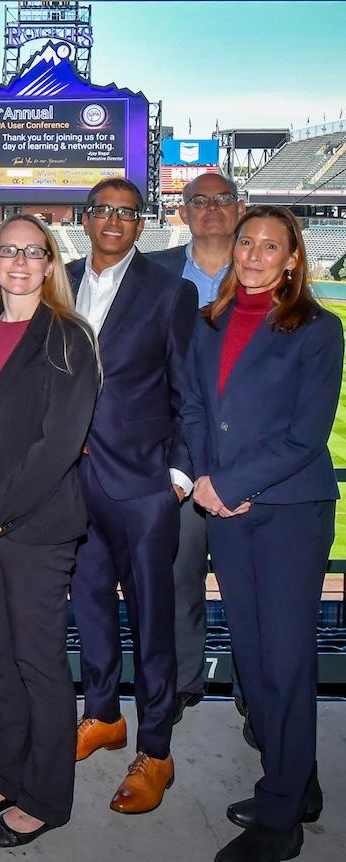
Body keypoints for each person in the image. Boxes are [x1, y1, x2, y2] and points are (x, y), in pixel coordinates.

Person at [183, 206, 340, 862]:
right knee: (252, 657)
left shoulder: (316, 329)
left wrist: (234, 484)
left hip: (287, 513)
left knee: (284, 661)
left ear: (292, 258)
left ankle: (281, 819)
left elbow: (305, 435)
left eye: (270, 245)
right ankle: (293, 780)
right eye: (247, 241)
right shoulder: (208, 321)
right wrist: (205, 479)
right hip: (227, 509)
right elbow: (191, 406)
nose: (253, 253)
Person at [0, 214, 98, 848]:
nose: (19, 262)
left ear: (48, 263)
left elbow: (59, 444)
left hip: (35, 526)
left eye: (32, 253)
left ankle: (46, 796)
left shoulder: (69, 336)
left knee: (39, 663)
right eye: (8, 251)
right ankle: (9, 776)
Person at [66, 177, 198, 814]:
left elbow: (187, 390)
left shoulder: (171, 291)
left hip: (144, 483)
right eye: (103, 212)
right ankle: (101, 716)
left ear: (141, 224)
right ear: (85, 219)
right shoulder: (58, 278)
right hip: (71, 480)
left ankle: (158, 748)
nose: (114, 221)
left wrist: (177, 475)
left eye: (127, 213)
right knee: (88, 604)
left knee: (153, 620)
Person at [146, 172, 245, 725]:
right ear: (182, 212)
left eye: (222, 199)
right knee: (178, 580)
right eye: (199, 200)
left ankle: (257, 697)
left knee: (253, 594)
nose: (211, 209)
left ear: (240, 207)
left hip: (245, 467)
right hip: (177, 460)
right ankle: (182, 687)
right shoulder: (156, 273)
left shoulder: (264, 274)